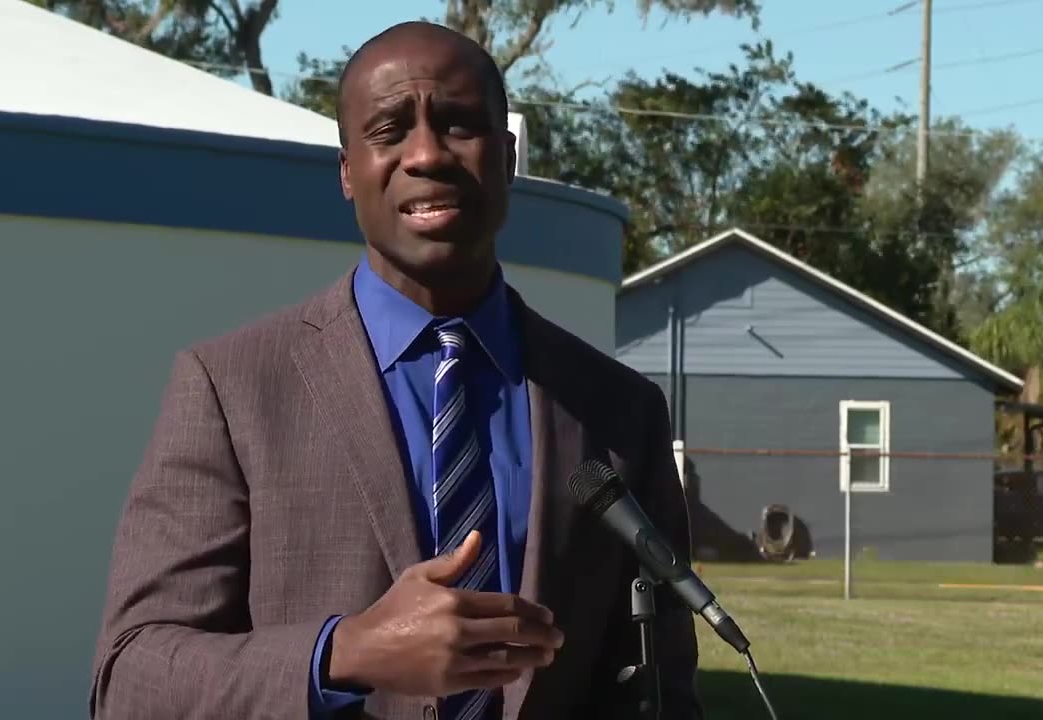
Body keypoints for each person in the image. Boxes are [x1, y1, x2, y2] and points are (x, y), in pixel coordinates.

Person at [89, 20, 701, 720]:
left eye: (459, 125)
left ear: (506, 158)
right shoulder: (232, 390)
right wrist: (344, 653)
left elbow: (659, 691)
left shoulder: (616, 409)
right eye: (389, 131)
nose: (427, 155)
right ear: (348, 171)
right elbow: (130, 678)